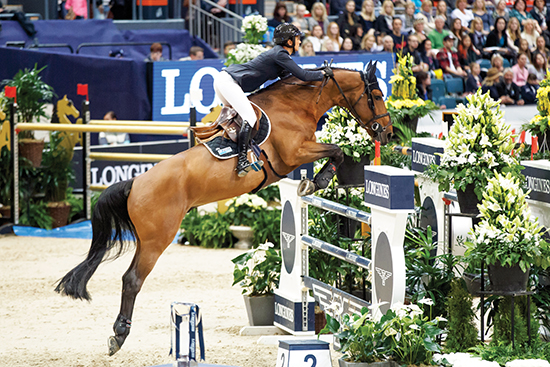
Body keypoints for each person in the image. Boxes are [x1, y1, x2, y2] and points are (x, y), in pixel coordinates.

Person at [214, 24, 327, 177]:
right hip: (228, 81)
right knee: (250, 117)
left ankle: (230, 150)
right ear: (289, 41)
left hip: (225, 81)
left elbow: (291, 79)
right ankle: (242, 162)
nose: (299, 42)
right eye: (297, 38)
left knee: (239, 118)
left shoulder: (280, 56)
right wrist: (323, 73)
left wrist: (318, 73)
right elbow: (303, 75)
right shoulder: (280, 54)